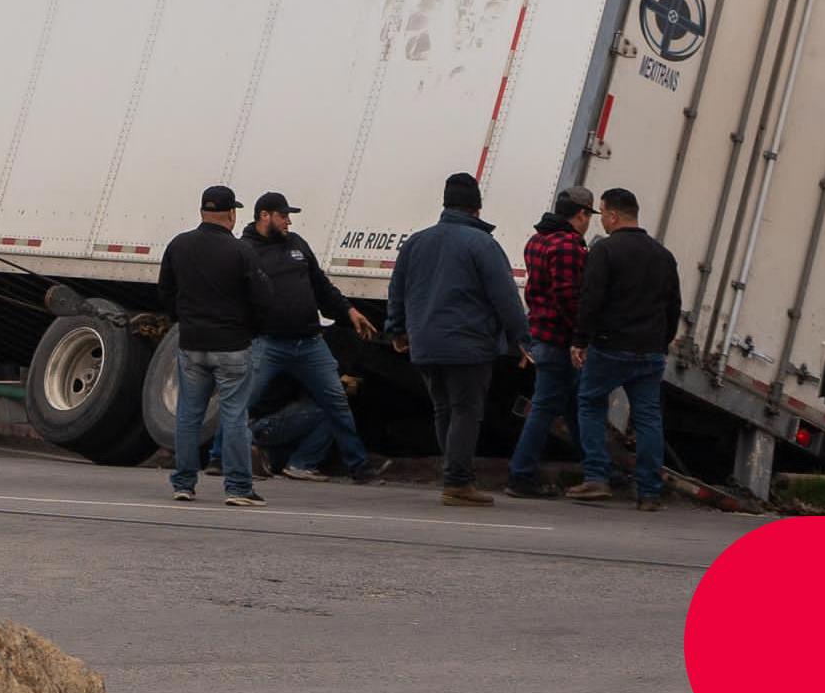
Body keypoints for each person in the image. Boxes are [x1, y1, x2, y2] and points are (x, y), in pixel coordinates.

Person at [388, 170, 531, 507]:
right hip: (468, 345)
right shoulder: (483, 244)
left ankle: (453, 475)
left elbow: (398, 290)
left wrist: (396, 329)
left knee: (443, 410)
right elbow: (505, 298)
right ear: (476, 209)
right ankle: (457, 482)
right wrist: (523, 339)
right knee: (466, 411)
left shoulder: (416, 242)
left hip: (425, 343)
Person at [235, 194, 384, 485]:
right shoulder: (246, 250)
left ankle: (359, 467)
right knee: (242, 400)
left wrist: (348, 310)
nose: (288, 221)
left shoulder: (297, 245)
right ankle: (219, 457)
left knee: (336, 401)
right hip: (269, 342)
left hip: (309, 342)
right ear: (264, 216)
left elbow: (321, 286)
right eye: (283, 215)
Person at [570, 187, 683, 510]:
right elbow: (673, 305)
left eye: (602, 213)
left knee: (590, 403)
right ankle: (649, 491)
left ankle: (596, 477)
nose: (601, 220)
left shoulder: (604, 251)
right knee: (648, 418)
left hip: (610, 347)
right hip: (649, 351)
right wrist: (662, 341)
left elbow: (591, 300)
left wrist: (580, 340)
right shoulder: (663, 255)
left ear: (614, 215)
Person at [156, 185, 261, 506]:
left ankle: (184, 483)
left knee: (189, 415)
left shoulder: (179, 245)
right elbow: (261, 297)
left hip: (192, 343)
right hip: (231, 345)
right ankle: (238, 488)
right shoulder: (241, 251)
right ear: (231, 214)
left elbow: (165, 292)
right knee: (233, 416)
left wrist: (183, 318)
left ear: (203, 211)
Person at [502, 192, 593, 499]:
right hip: (560, 339)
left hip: (541, 333)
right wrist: (581, 335)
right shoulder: (567, 245)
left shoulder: (537, 241)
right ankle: (520, 475)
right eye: (588, 216)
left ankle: (597, 469)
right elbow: (568, 296)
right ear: (580, 214)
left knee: (573, 406)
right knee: (545, 408)